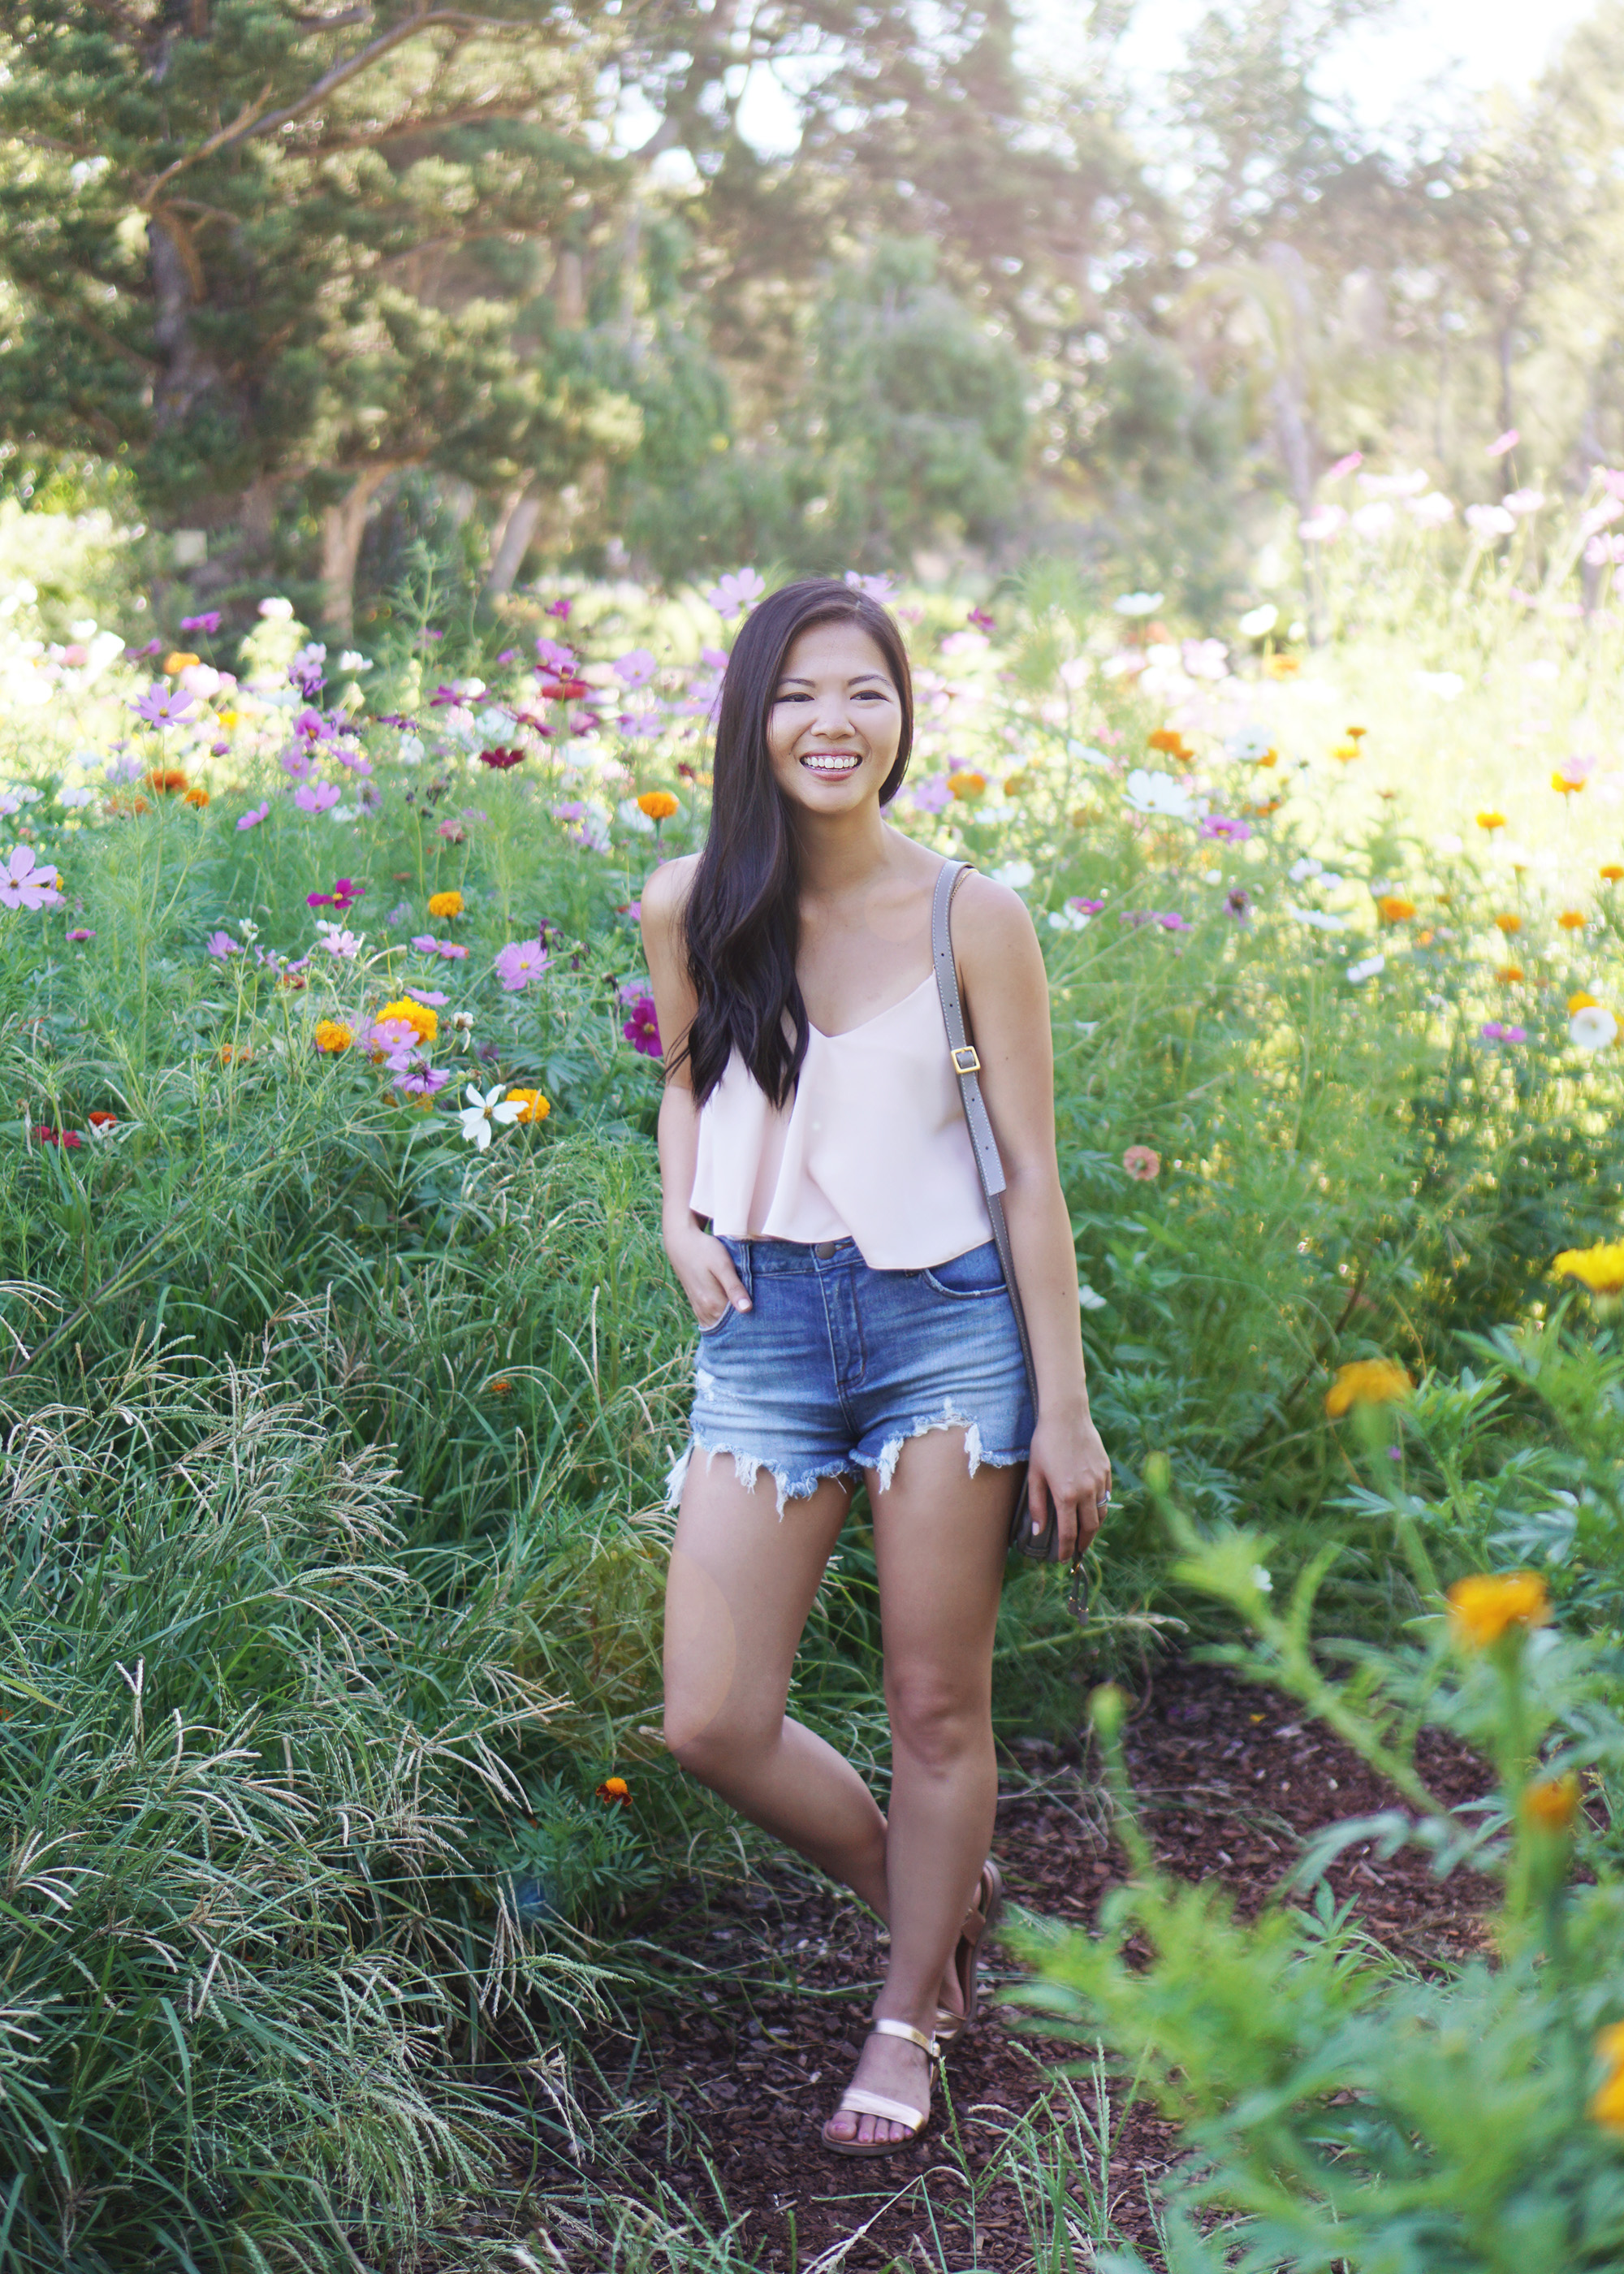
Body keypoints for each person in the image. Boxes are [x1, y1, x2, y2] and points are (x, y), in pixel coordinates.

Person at [641, 576, 1111, 2157]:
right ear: (750, 719)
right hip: (764, 1331)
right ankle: (937, 1896)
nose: (831, 723)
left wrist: (1064, 1409)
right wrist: (678, 1217)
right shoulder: (691, 901)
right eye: (797, 693)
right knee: (709, 1715)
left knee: (933, 1703)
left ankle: (909, 2011)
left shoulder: (972, 913)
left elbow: (1029, 1173)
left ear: (904, 715)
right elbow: (689, 1083)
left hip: (948, 1333)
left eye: (864, 691)